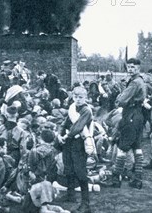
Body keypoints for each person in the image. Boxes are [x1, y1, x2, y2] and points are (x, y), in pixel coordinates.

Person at [111, 58, 146, 190]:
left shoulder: (134, 83)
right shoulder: (141, 80)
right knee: (137, 147)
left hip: (130, 114)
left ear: (138, 68)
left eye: (133, 67)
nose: (130, 69)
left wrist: (119, 98)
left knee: (122, 147)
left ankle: (116, 178)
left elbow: (121, 100)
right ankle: (137, 179)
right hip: (138, 115)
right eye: (129, 67)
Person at [58, 85, 93, 213]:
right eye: (76, 97)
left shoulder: (86, 111)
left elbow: (78, 127)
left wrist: (66, 135)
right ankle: (70, 194)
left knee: (80, 171)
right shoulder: (72, 108)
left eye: (81, 97)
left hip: (79, 142)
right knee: (69, 167)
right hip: (69, 141)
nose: (78, 99)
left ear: (85, 98)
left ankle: (85, 203)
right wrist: (59, 134)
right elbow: (65, 122)